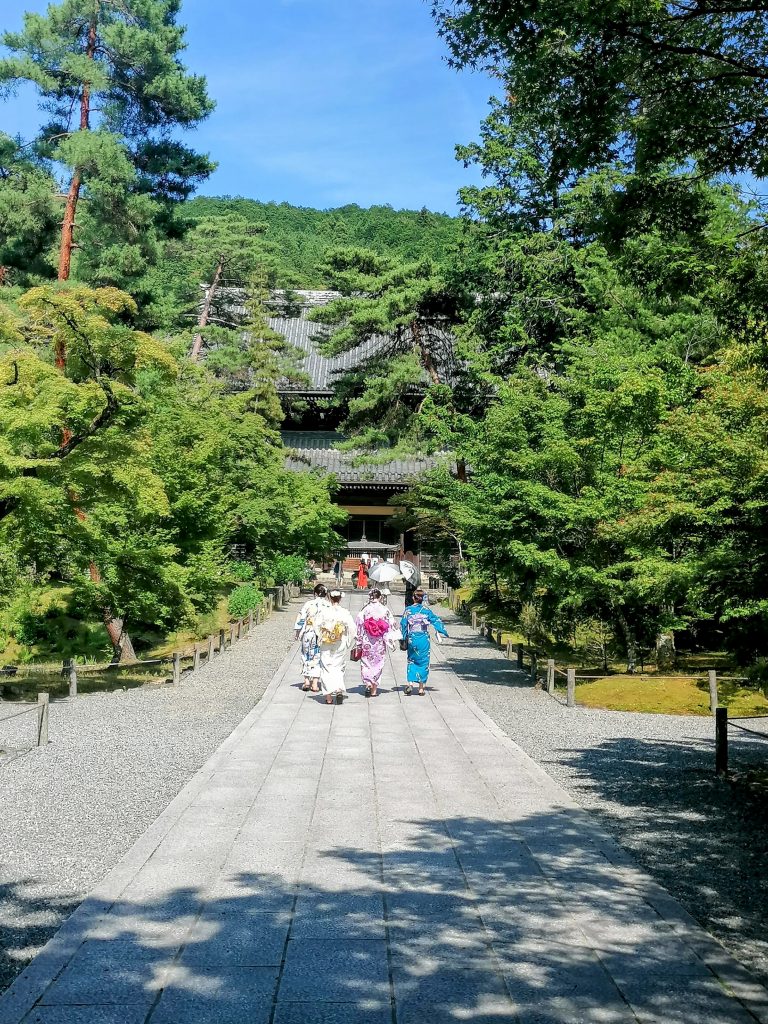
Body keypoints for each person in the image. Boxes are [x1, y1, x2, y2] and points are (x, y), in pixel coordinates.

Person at [400, 587, 448, 696]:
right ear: (422, 599)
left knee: (411, 660)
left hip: (412, 638)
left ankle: (410, 684)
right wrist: (442, 630)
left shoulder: (408, 610)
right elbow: (436, 620)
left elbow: (403, 624)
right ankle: (421, 688)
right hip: (423, 638)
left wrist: (403, 637)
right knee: (424, 662)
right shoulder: (426, 610)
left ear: (413, 598)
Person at [315, 589, 357, 704]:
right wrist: (348, 641)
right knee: (338, 666)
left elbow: (317, 626)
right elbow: (352, 628)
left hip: (326, 641)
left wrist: (321, 636)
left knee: (326, 666)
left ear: (329, 597)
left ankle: (328, 696)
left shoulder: (324, 611)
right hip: (340, 641)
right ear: (340, 599)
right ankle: (338, 689)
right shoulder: (344, 612)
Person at [355, 588, 397, 697]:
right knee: (378, 663)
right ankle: (374, 690)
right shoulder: (385, 610)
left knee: (366, 662)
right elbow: (391, 624)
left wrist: (359, 641)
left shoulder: (365, 609)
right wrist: (391, 640)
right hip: (379, 641)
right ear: (380, 597)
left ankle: (368, 683)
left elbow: (359, 625)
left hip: (367, 640)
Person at [293, 584, 330, 692]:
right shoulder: (328, 605)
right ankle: (315, 683)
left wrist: (297, 631)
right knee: (318, 656)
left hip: (308, 632)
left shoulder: (309, 604)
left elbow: (301, 618)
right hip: (322, 634)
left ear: (315, 593)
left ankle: (306, 681)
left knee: (306, 655)